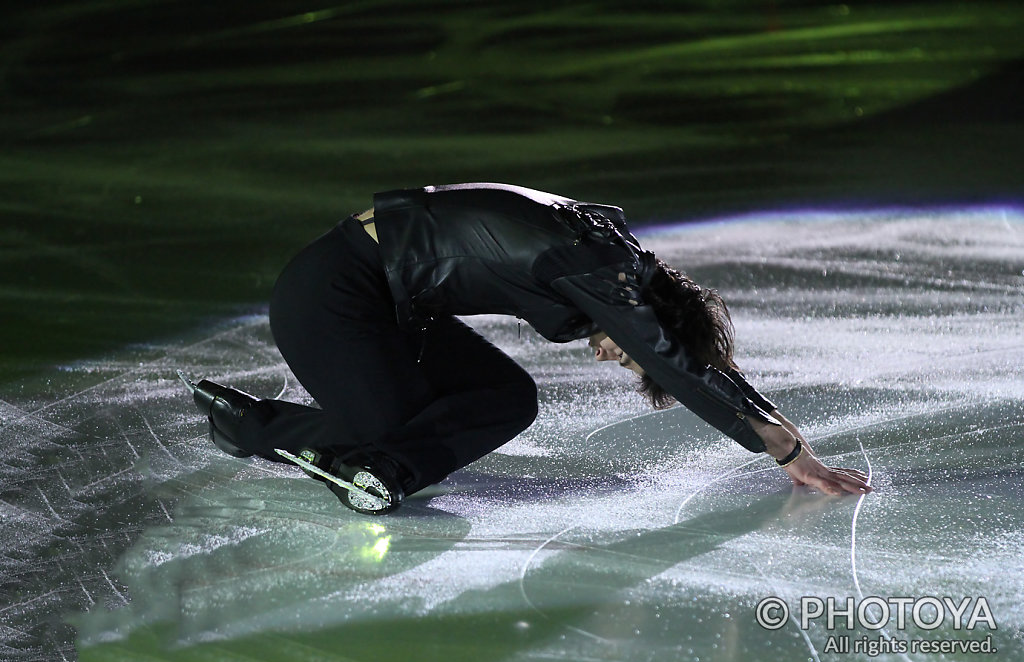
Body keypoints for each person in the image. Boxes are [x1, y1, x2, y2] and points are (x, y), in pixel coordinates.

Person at [183, 183, 872, 515]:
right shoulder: (608, 273)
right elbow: (679, 364)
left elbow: (685, 356)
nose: (614, 357)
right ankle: (313, 446)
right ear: (648, 319)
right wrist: (788, 451)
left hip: (382, 303)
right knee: (393, 428)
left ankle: (271, 427)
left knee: (508, 396)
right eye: (628, 355)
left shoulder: (611, 252)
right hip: (331, 297)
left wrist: (778, 422)